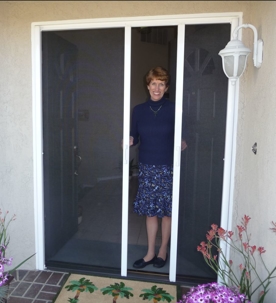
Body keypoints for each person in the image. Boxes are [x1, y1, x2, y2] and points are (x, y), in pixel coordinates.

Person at [130, 66, 187, 269]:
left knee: (166, 212)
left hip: (168, 167)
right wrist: (128, 140)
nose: (157, 88)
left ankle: (163, 250)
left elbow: (183, 135)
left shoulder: (174, 109)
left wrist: (182, 141)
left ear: (166, 86)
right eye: (153, 83)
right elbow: (134, 136)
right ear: (148, 86)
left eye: (161, 84)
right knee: (150, 211)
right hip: (147, 167)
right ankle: (150, 252)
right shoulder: (138, 110)